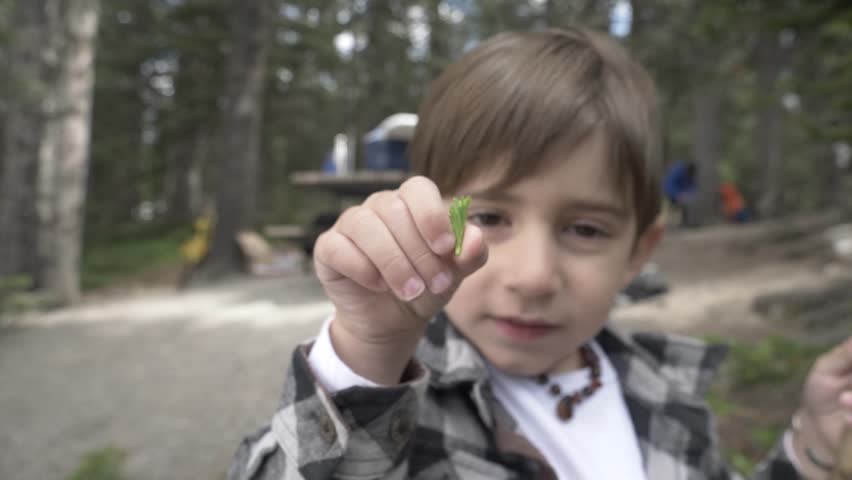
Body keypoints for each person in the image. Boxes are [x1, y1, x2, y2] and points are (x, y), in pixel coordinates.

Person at [228, 28, 852, 480]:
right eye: (491, 217)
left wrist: (811, 450)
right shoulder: (396, 407)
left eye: (585, 230)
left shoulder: (663, 391)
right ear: (423, 218)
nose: (533, 277)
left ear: (640, 249)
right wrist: (365, 350)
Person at [663, 161, 697, 227]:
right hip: (671, 192)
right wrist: (677, 195)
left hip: (682, 194)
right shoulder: (677, 171)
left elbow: (692, 186)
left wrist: (689, 194)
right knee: (672, 208)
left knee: (685, 206)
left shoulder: (691, 174)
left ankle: (685, 222)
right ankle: (669, 224)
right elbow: (669, 184)